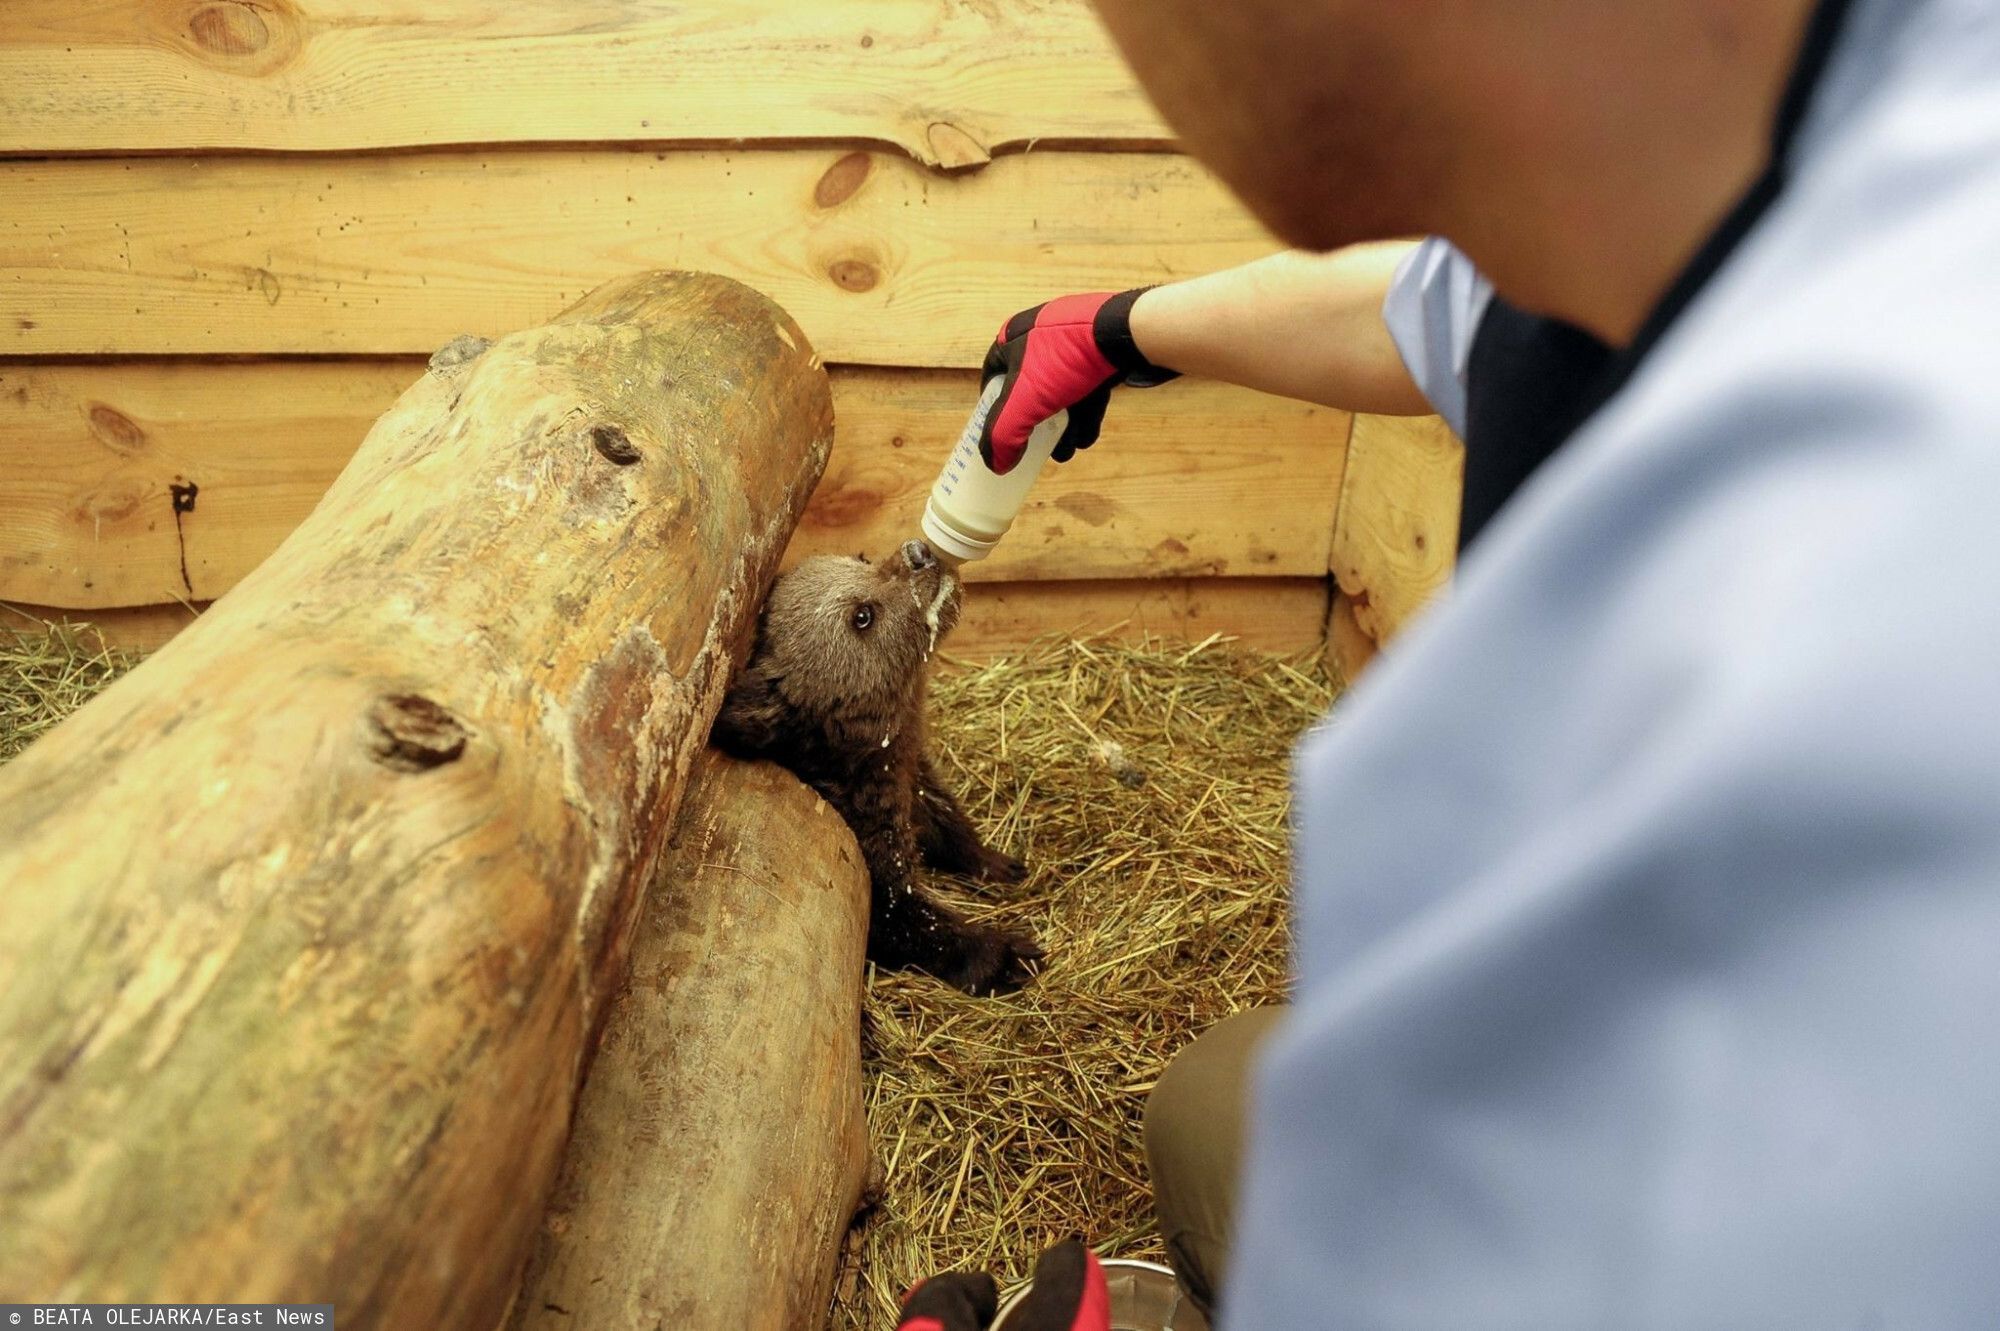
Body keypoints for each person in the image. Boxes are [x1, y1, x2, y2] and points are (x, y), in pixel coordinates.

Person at [900, 0, 2000, 1325]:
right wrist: (1121, 330)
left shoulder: (1909, 569)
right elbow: (1426, 312)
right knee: (1219, 1101)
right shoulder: (1714, 143)